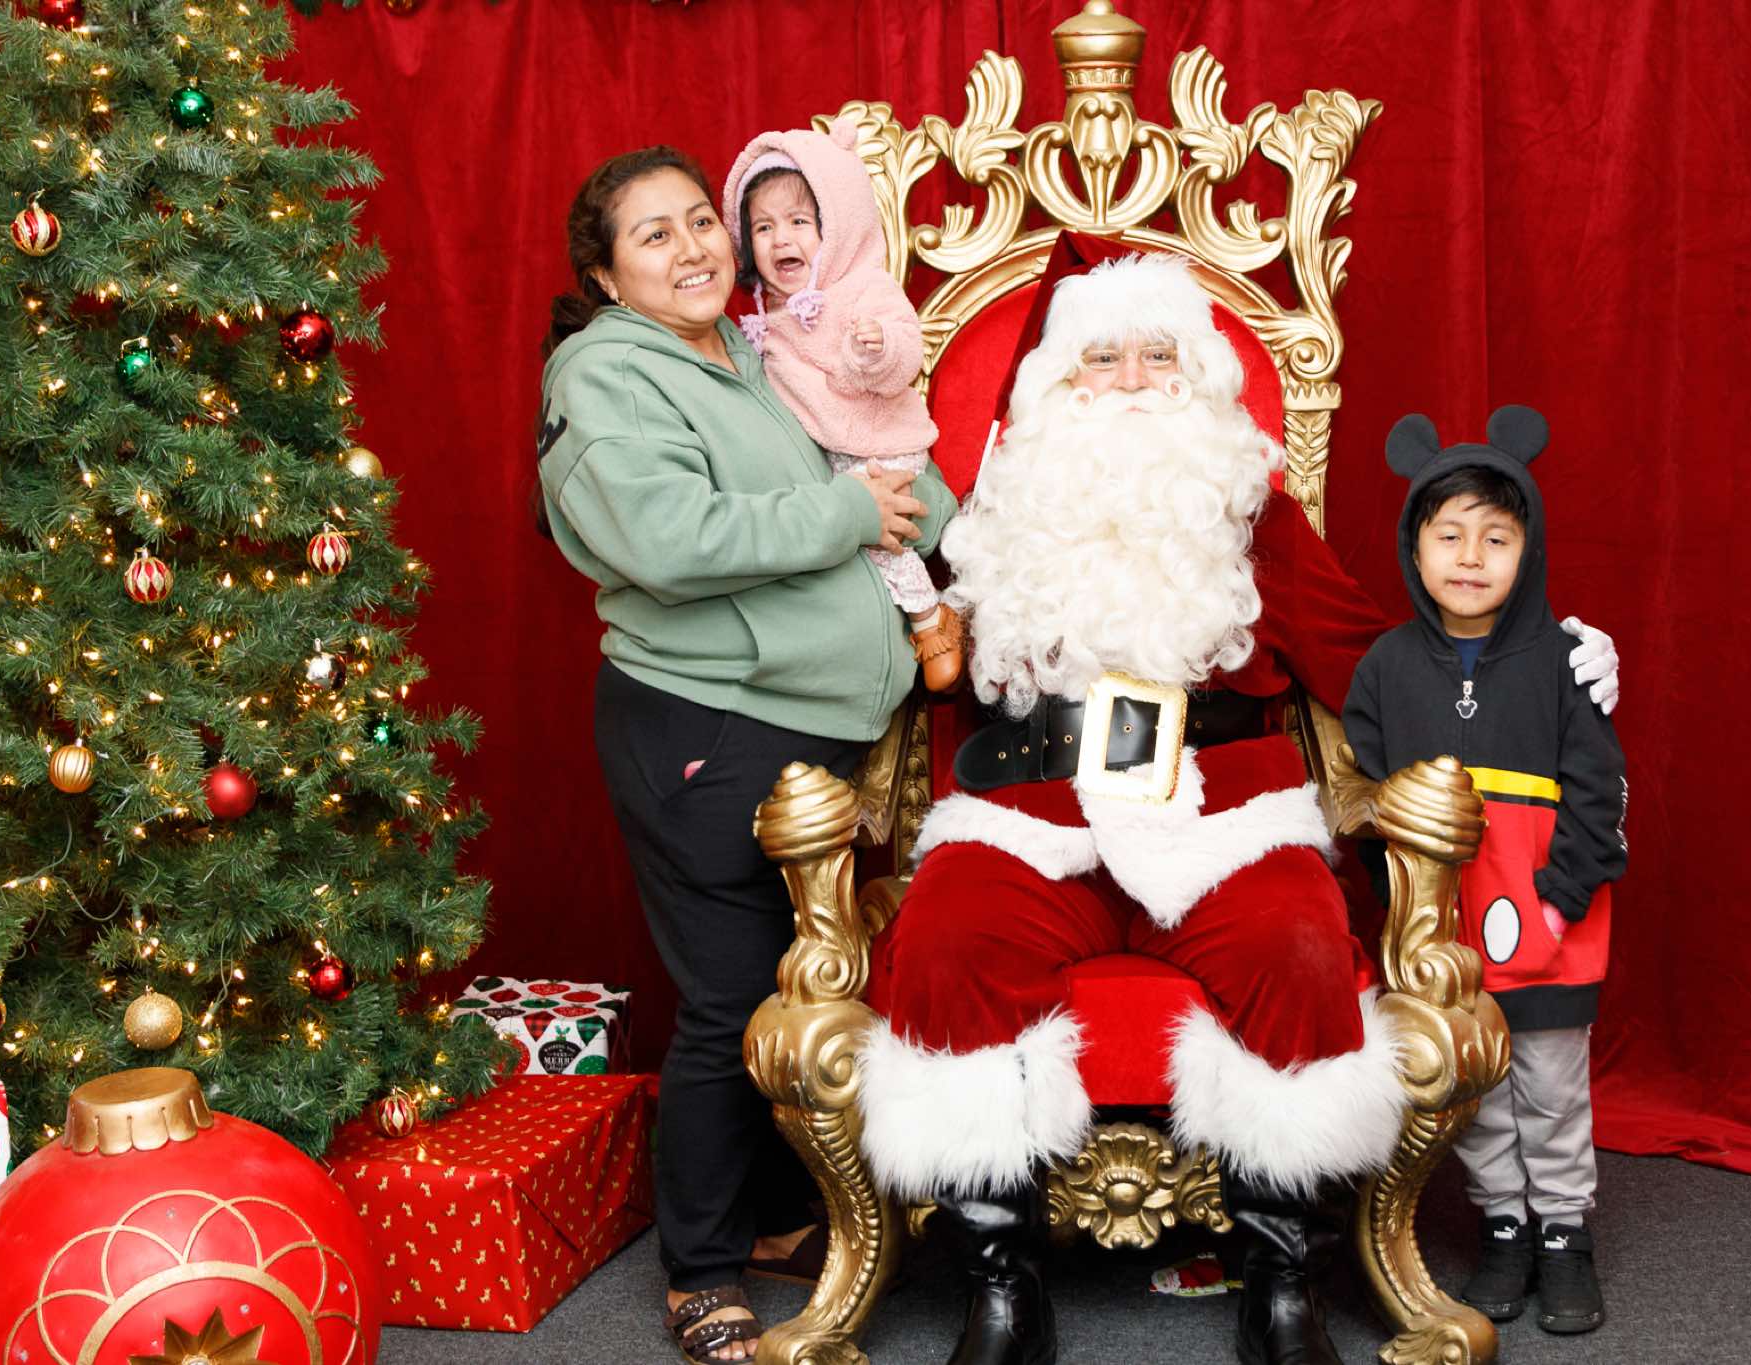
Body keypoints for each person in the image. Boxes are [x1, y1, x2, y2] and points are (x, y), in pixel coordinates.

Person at [851, 249, 1623, 1365]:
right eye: (1101, 358)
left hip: (1220, 816)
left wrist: (1539, 660)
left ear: (1198, 377)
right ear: (1056, 384)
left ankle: (1280, 1279)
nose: (1130, 381)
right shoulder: (996, 518)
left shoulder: (1250, 512)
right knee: (944, 940)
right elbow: (912, 665)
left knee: (1300, 946)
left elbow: (1372, 657)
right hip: (1031, 815)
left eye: (1156, 355)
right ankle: (1000, 1284)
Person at [536, 145, 958, 1365]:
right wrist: (849, 514)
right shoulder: (605, 371)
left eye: (697, 222)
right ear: (605, 277)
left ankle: (770, 1218)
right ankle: (701, 1270)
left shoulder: (755, 346)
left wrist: (921, 504)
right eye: (652, 235)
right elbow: (667, 537)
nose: (691, 249)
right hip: (704, 726)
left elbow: (883, 463)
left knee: (793, 983)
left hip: (809, 732)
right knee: (730, 998)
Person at [1342, 407, 1628, 1337]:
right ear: (1414, 547)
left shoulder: (1565, 662)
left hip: (1547, 925)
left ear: (1526, 549)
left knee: (1550, 1089)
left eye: (1496, 538)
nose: (1471, 557)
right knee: (1479, 1095)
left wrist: (1562, 899)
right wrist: (1401, 910)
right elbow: (1368, 800)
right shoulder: (1385, 667)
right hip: (1446, 941)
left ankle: (1563, 1233)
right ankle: (1504, 1224)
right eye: (1450, 535)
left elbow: (1600, 792)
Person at [721, 119, 964, 691]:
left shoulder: (863, 288)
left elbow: (904, 352)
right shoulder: (766, 315)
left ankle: (929, 618)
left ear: (837, 229)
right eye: (763, 227)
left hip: (881, 444)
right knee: (829, 528)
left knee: (876, 532)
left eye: (799, 222)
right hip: (829, 451)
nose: (781, 240)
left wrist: (873, 351)